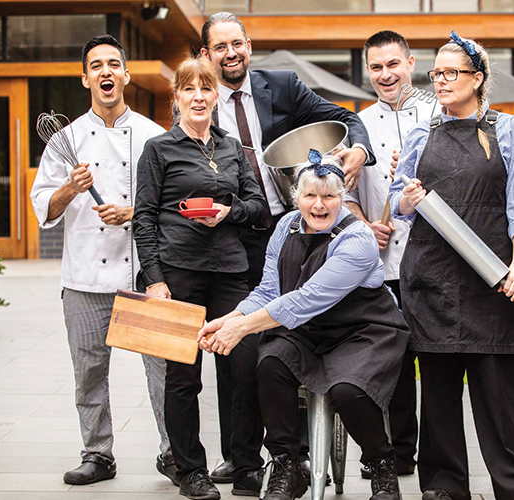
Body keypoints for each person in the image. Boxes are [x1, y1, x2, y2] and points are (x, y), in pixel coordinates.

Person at [198, 11, 376, 486]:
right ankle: (241, 457)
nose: (230, 54)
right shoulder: (200, 100)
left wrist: (358, 150)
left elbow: (344, 117)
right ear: (205, 55)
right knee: (237, 346)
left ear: (248, 45)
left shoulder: (282, 85)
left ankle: (294, 456)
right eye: (220, 47)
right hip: (231, 237)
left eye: (237, 44)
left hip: (294, 227)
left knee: (291, 331)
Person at [197, 151, 409, 500]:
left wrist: (243, 329)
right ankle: (286, 465)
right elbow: (269, 290)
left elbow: (306, 298)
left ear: (342, 198)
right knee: (269, 365)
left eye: (329, 196)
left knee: (348, 390)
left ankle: (382, 466)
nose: (319, 205)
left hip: (362, 330)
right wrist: (228, 319)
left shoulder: (357, 239)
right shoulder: (286, 226)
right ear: (296, 197)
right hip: (306, 331)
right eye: (310, 195)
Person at [389, 32, 514, 500]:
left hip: (492, 278)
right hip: (431, 277)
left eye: (451, 73)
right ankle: (442, 485)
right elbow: (398, 201)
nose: (440, 81)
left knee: (499, 394)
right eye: (435, 73)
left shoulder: (510, 130)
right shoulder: (422, 133)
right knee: (436, 392)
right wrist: (406, 199)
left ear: (477, 79)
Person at [30, 34, 174, 486]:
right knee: (89, 372)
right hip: (85, 277)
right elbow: (43, 209)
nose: (106, 72)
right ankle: (98, 453)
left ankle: (176, 452)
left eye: (114, 64)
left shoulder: (155, 135)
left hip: (143, 273)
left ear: (126, 75)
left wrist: (133, 211)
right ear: (85, 77)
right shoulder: (65, 140)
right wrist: (72, 188)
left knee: (163, 372)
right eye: (97, 65)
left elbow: (174, 203)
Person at [133, 55, 267, 500]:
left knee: (245, 368)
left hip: (230, 272)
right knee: (184, 377)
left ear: (215, 97)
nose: (199, 96)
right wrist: (154, 279)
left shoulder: (231, 149)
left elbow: (258, 208)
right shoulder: (160, 149)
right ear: (176, 98)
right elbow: (144, 217)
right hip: (179, 273)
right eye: (189, 89)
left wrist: (229, 212)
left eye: (206, 88)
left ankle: (248, 464)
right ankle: (191, 470)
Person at [347, 29, 435, 480]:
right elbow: (345, 196)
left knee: (436, 362)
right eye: (377, 67)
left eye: (393, 64)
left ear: (411, 63)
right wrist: (363, 222)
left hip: (435, 261)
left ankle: (438, 457)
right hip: (382, 267)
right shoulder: (358, 126)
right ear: (368, 71)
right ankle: (399, 452)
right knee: (395, 364)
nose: (385, 75)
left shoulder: (437, 113)